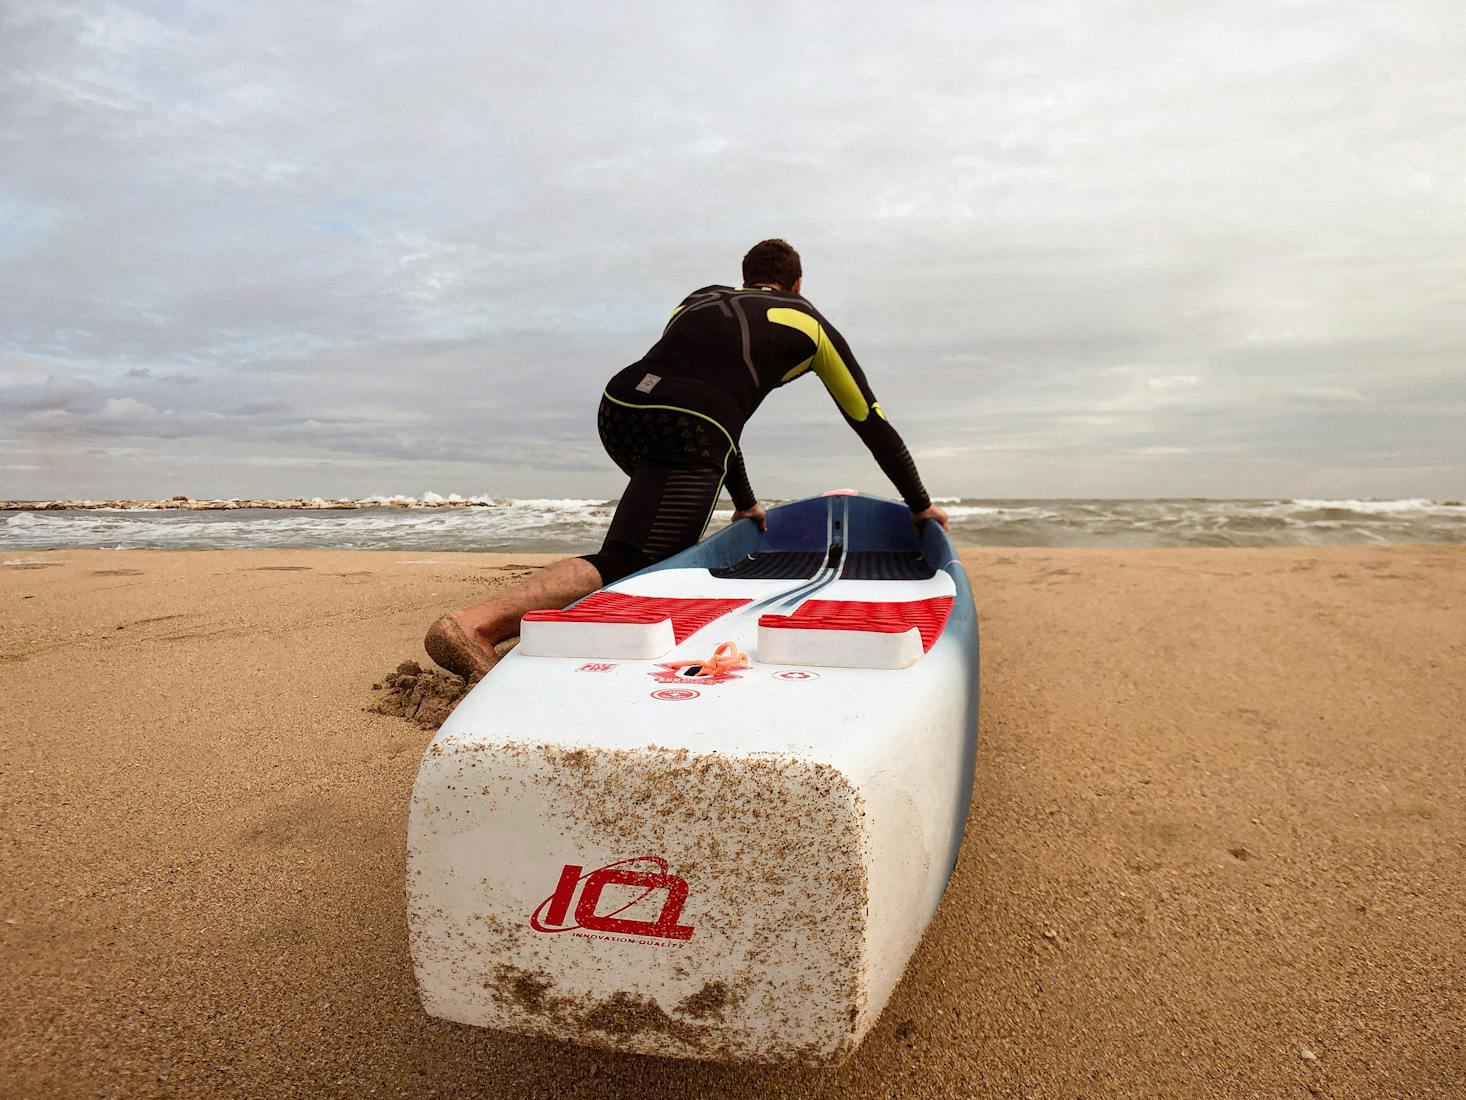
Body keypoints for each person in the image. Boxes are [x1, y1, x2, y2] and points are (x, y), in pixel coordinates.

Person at [424, 239, 949, 680]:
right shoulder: (811, 324)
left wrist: (744, 504)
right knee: (634, 559)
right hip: (691, 425)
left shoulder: (698, 299)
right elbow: (870, 422)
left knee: (639, 541)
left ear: (746, 277)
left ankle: (588, 617)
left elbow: (709, 404)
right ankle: (478, 625)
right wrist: (920, 505)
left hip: (621, 407)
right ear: (797, 283)